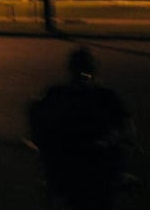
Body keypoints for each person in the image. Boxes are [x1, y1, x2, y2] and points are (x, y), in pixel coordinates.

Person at [28, 46, 136, 209]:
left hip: (67, 167)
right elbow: (126, 126)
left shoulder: (56, 93)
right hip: (89, 168)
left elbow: (35, 116)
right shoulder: (105, 96)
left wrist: (44, 146)